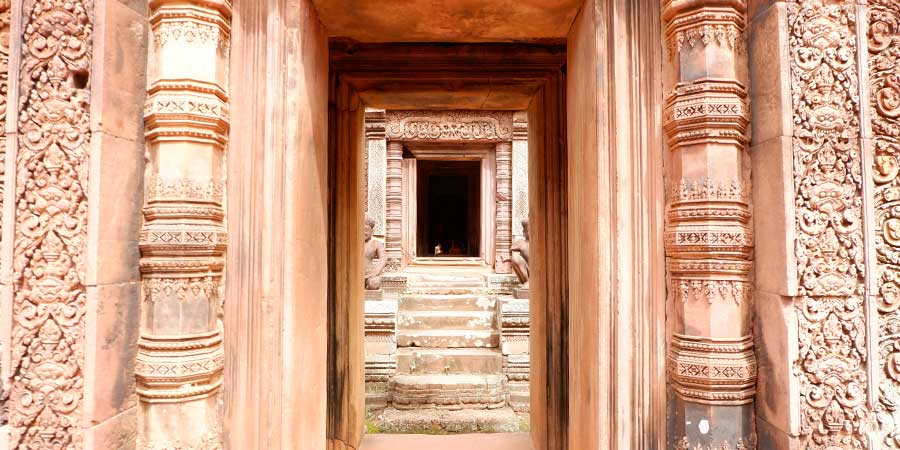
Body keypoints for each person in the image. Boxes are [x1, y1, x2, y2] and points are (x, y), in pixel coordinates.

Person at [364, 219, 387, 290]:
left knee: (374, 283)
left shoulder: (376, 243)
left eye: (366, 230)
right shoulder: (352, 242)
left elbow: (383, 257)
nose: (363, 232)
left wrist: (376, 272)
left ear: (372, 232)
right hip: (353, 275)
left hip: (369, 275)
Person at [510, 219, 530, 289]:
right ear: (524, 232)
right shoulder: (521, 243)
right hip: (528, 269)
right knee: (515, 258)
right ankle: (527, 281)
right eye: (528, 230)